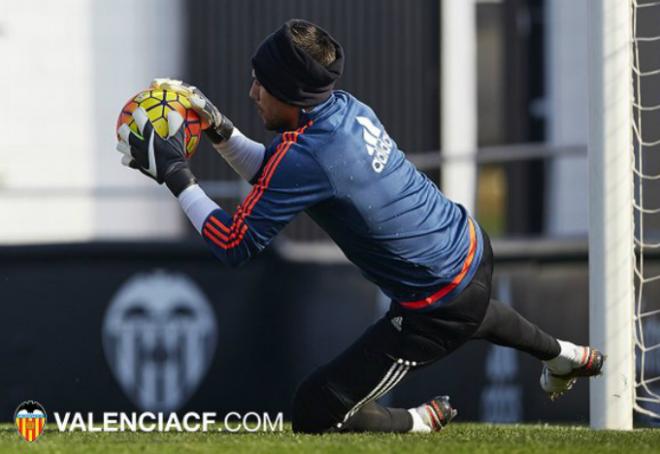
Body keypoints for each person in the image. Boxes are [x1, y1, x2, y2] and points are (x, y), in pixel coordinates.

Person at [116, 19, 603, 434]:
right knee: (476, 312)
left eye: (260, 83)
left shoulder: (309, 155)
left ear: (291, 94)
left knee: (313, 410)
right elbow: (280, 175)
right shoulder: (343, 108)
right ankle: (562, 355)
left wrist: (176, 174)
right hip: (469, 245)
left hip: (438, 304)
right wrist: (219, 127)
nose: (252, 93)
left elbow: (233, 244)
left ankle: (414, 421)